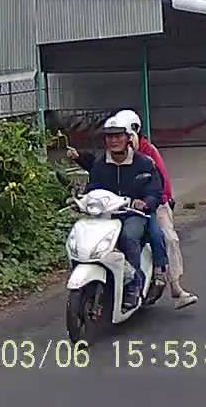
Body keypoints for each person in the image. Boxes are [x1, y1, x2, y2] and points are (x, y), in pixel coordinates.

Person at [68, 115, 164, 311]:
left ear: (128, 138)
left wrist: (145, 202)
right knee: (83, 235)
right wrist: (82, 202)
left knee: (129, 236)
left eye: (118, 136)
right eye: (109, 137)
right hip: (106, 216)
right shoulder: (101, 164)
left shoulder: (144, 163)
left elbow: (155, 191)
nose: (113, 140)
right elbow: (93, 188)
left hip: (133, 215)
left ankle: (134, 285)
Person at [111, 109, 198, 310]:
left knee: (167, 238)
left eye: (122, 135)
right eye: (113, 136)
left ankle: (175, 286)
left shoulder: (147, 154)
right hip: (122, 205)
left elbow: (161, 181)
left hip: (152, 204)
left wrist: (156, 201)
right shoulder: (112, 155)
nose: (117, 140)